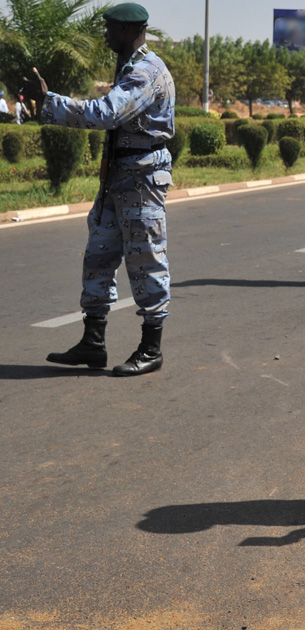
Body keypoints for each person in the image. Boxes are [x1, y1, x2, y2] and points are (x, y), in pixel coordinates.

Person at [30, 2, 175, 377]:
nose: (106, 35)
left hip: (142, 179)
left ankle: (151, 348)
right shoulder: (128, 67)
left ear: (129, 31)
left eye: (110, 29)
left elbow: (105, 114)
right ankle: (93, 342)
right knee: (98, 256)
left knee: (146, 260)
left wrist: (50, 102)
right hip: (118, 178)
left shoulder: (146, 72)